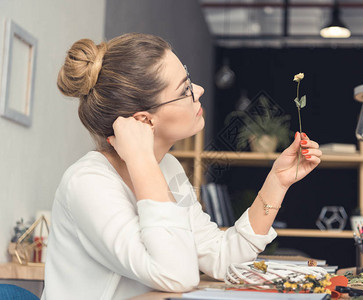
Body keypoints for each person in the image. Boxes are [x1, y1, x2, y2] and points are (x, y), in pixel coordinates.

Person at [41, 33, 322, 300]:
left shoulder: (169, 167)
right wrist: (141, 159)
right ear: (144, 120)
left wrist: (277, 181)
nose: (198, 90)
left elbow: (221, 257)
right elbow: (177, 275)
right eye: (185, 89)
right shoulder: (88, 183)